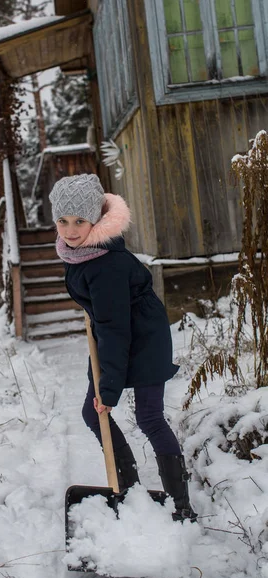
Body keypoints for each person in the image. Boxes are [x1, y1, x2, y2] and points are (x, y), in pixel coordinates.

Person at [49, 173, 197, 522]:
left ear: (96, 220)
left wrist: (109, 388)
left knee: (148, 417)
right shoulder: (81, 251)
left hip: (143, 338)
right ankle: (129, 491)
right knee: (92, 411)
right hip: (114, 332)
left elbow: (116, 328)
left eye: (79, 221)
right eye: (62, 221)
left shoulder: (106, 265)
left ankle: (181, 506)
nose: (70, 230)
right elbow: (108, 322)